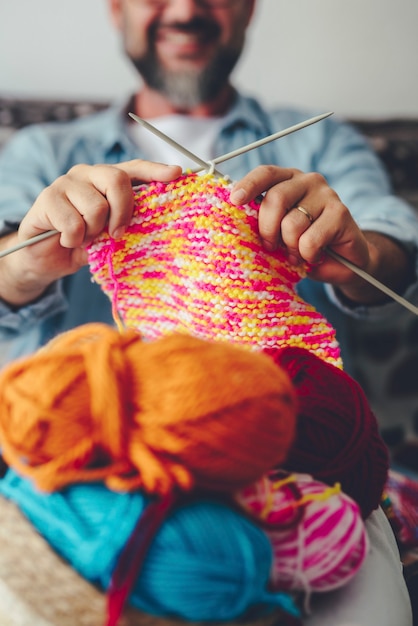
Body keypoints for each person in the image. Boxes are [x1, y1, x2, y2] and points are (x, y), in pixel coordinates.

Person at [0, 0, 416, 624]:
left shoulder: (319, 138)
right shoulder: (44, 150)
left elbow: (393, 248)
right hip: (92, 462)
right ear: (117, 9)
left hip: (290, 456)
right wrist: (19, 265)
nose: (188, 8)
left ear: (249, 9)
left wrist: (365, 254)